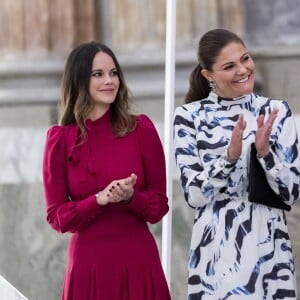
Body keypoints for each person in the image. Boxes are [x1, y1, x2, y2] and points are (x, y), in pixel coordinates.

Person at [173, 28, 300, 299]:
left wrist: (266, 155)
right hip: (216, 248)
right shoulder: (188, 116)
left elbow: (292, 192)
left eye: (245, 58)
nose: (243, 70)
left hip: (269, 247)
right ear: (208, 75)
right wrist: (228, 158)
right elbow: (194, 195)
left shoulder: (277, 111)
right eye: (229, 66)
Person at [42, 41, 171, 300]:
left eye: (113, 73)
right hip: (89, 264)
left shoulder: (141, 130)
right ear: (79, 80)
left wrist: (131, 197)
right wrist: (99, 200)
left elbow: (159, 208)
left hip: (138, 259)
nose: (109, 81)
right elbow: (57, 216)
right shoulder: (60, 139)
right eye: (98, 74)